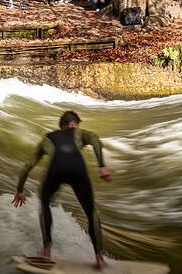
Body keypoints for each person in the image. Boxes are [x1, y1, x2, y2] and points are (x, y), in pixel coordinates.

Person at [12, 111, 112, 271]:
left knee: (44, 202)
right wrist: (102, 165)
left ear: (62, 125)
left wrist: (19, 190)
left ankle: (46, 252)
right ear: (74, 124)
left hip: (55, 170)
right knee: (91, 212)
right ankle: (99, 258)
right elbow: (94, 139)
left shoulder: (47, 138)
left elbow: (27, 166)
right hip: (77, 169)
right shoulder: (80, 132)